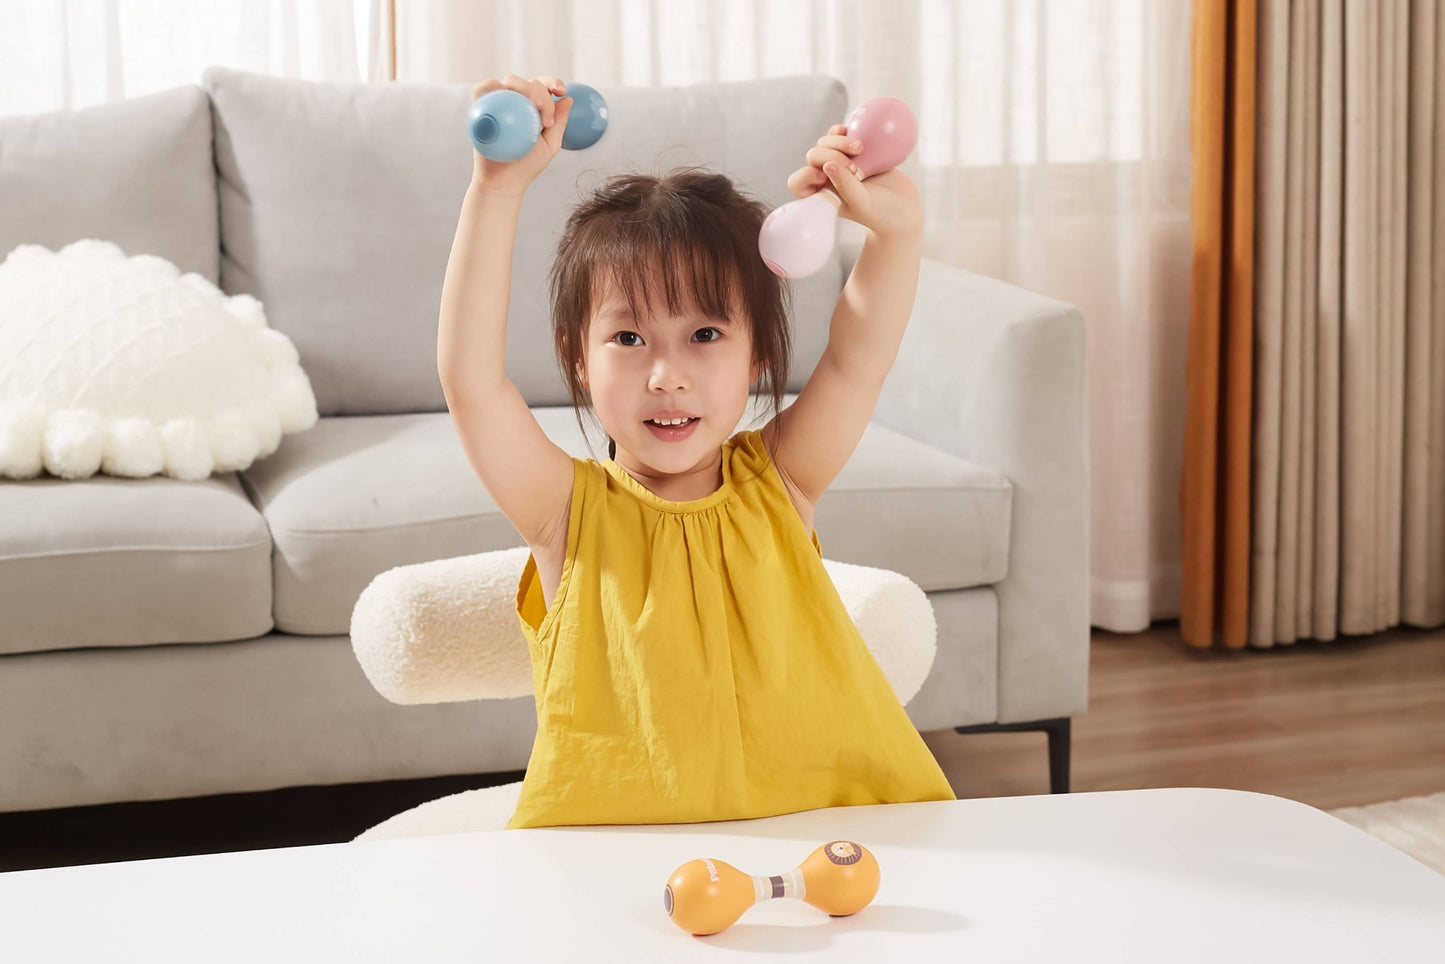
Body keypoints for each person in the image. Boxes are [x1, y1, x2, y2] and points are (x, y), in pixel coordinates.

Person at [437, 74, 955, 830]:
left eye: (705, 334)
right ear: (576, 359)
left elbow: (854, 359)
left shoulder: (780, 480)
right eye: (627, 338)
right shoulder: (566, 513)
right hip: (615, 862)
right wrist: (496, 190)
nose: (666, 376)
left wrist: (896, 234)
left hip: (818, 833)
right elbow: (471, 381)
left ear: (755, 356)